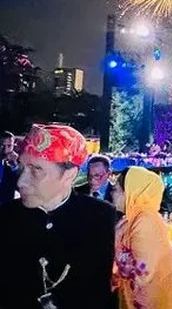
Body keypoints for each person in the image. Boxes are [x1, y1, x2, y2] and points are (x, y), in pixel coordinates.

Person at [0, 124, 117, 309]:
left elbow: (98, 292)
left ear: (69, 175)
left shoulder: (99, 217)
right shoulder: (6, 217)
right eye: (22, 168)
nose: (21, 182)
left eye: (36, 170)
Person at [111, 166, 172, 309]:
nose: (112, 194)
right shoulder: (132, 219)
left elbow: (143, 273)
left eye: (116, 190)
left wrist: (114, 243)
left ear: (130, 192)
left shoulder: (145, 221)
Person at [0, 131, 19, 205]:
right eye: (1, 145)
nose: (5, 150)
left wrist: (14, 165)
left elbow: (19, 186)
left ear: (14, 146)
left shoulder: (15, 164)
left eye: (9, 146)